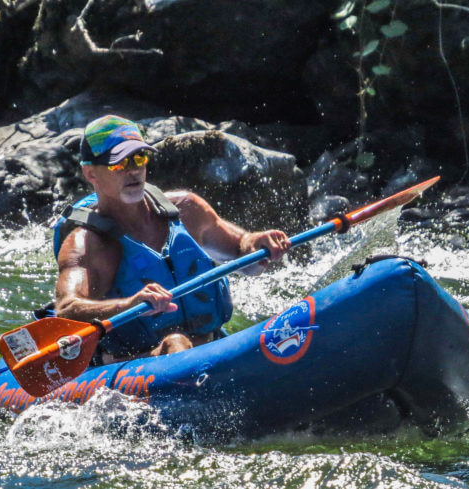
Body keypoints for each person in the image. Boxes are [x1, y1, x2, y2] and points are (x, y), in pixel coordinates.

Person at [53, 115, 291, 365]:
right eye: (119, 163)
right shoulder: (89, 244)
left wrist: (257, 244)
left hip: (213, 344)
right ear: (91, 173)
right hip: (135, 363)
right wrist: (129, 304)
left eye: (139, 158)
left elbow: (244, 254)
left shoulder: (187, 209)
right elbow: (67, 310)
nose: (133, 170)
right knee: (176, 343)